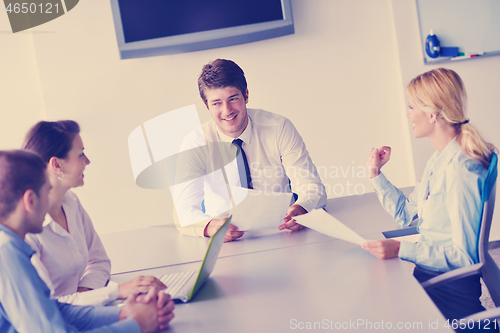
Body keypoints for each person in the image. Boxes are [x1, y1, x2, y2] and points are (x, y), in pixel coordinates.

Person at [362, 68, 496, 323]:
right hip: (430, 278)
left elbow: (466, 258)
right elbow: (406, 215)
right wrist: (375, 173)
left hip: (447, 290)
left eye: (412, 106)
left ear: (433, 113)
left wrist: (403, 249)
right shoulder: (438, 161)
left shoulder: (461, 170)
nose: (407, 113)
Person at [0, 150, 175, 332]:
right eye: (47, 192)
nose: (50, 202)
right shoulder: (7, 253)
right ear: (30, 200)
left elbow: (56, 312)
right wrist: (134, 325)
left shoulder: (11, 246)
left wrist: (124, 314)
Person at [172, 59, 327, 242]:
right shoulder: (195, 144)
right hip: (225, 241)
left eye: (233, 99)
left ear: (246, 95)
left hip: (283, 233)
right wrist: (210, 227)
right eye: (216, 103)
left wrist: (302, 208)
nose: (227, 110)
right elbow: (184, 211)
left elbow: (313, 187)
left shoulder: (279, 127)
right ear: (207, 106)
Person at [22, 120, 166, 306]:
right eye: (81, 154)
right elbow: (47, 308)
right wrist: (116, 292)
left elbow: (99, 261)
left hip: (84, 314)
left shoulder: (71, 202)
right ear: (57, 165)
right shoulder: (27, 231)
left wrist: (87, 295)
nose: (87, 161)